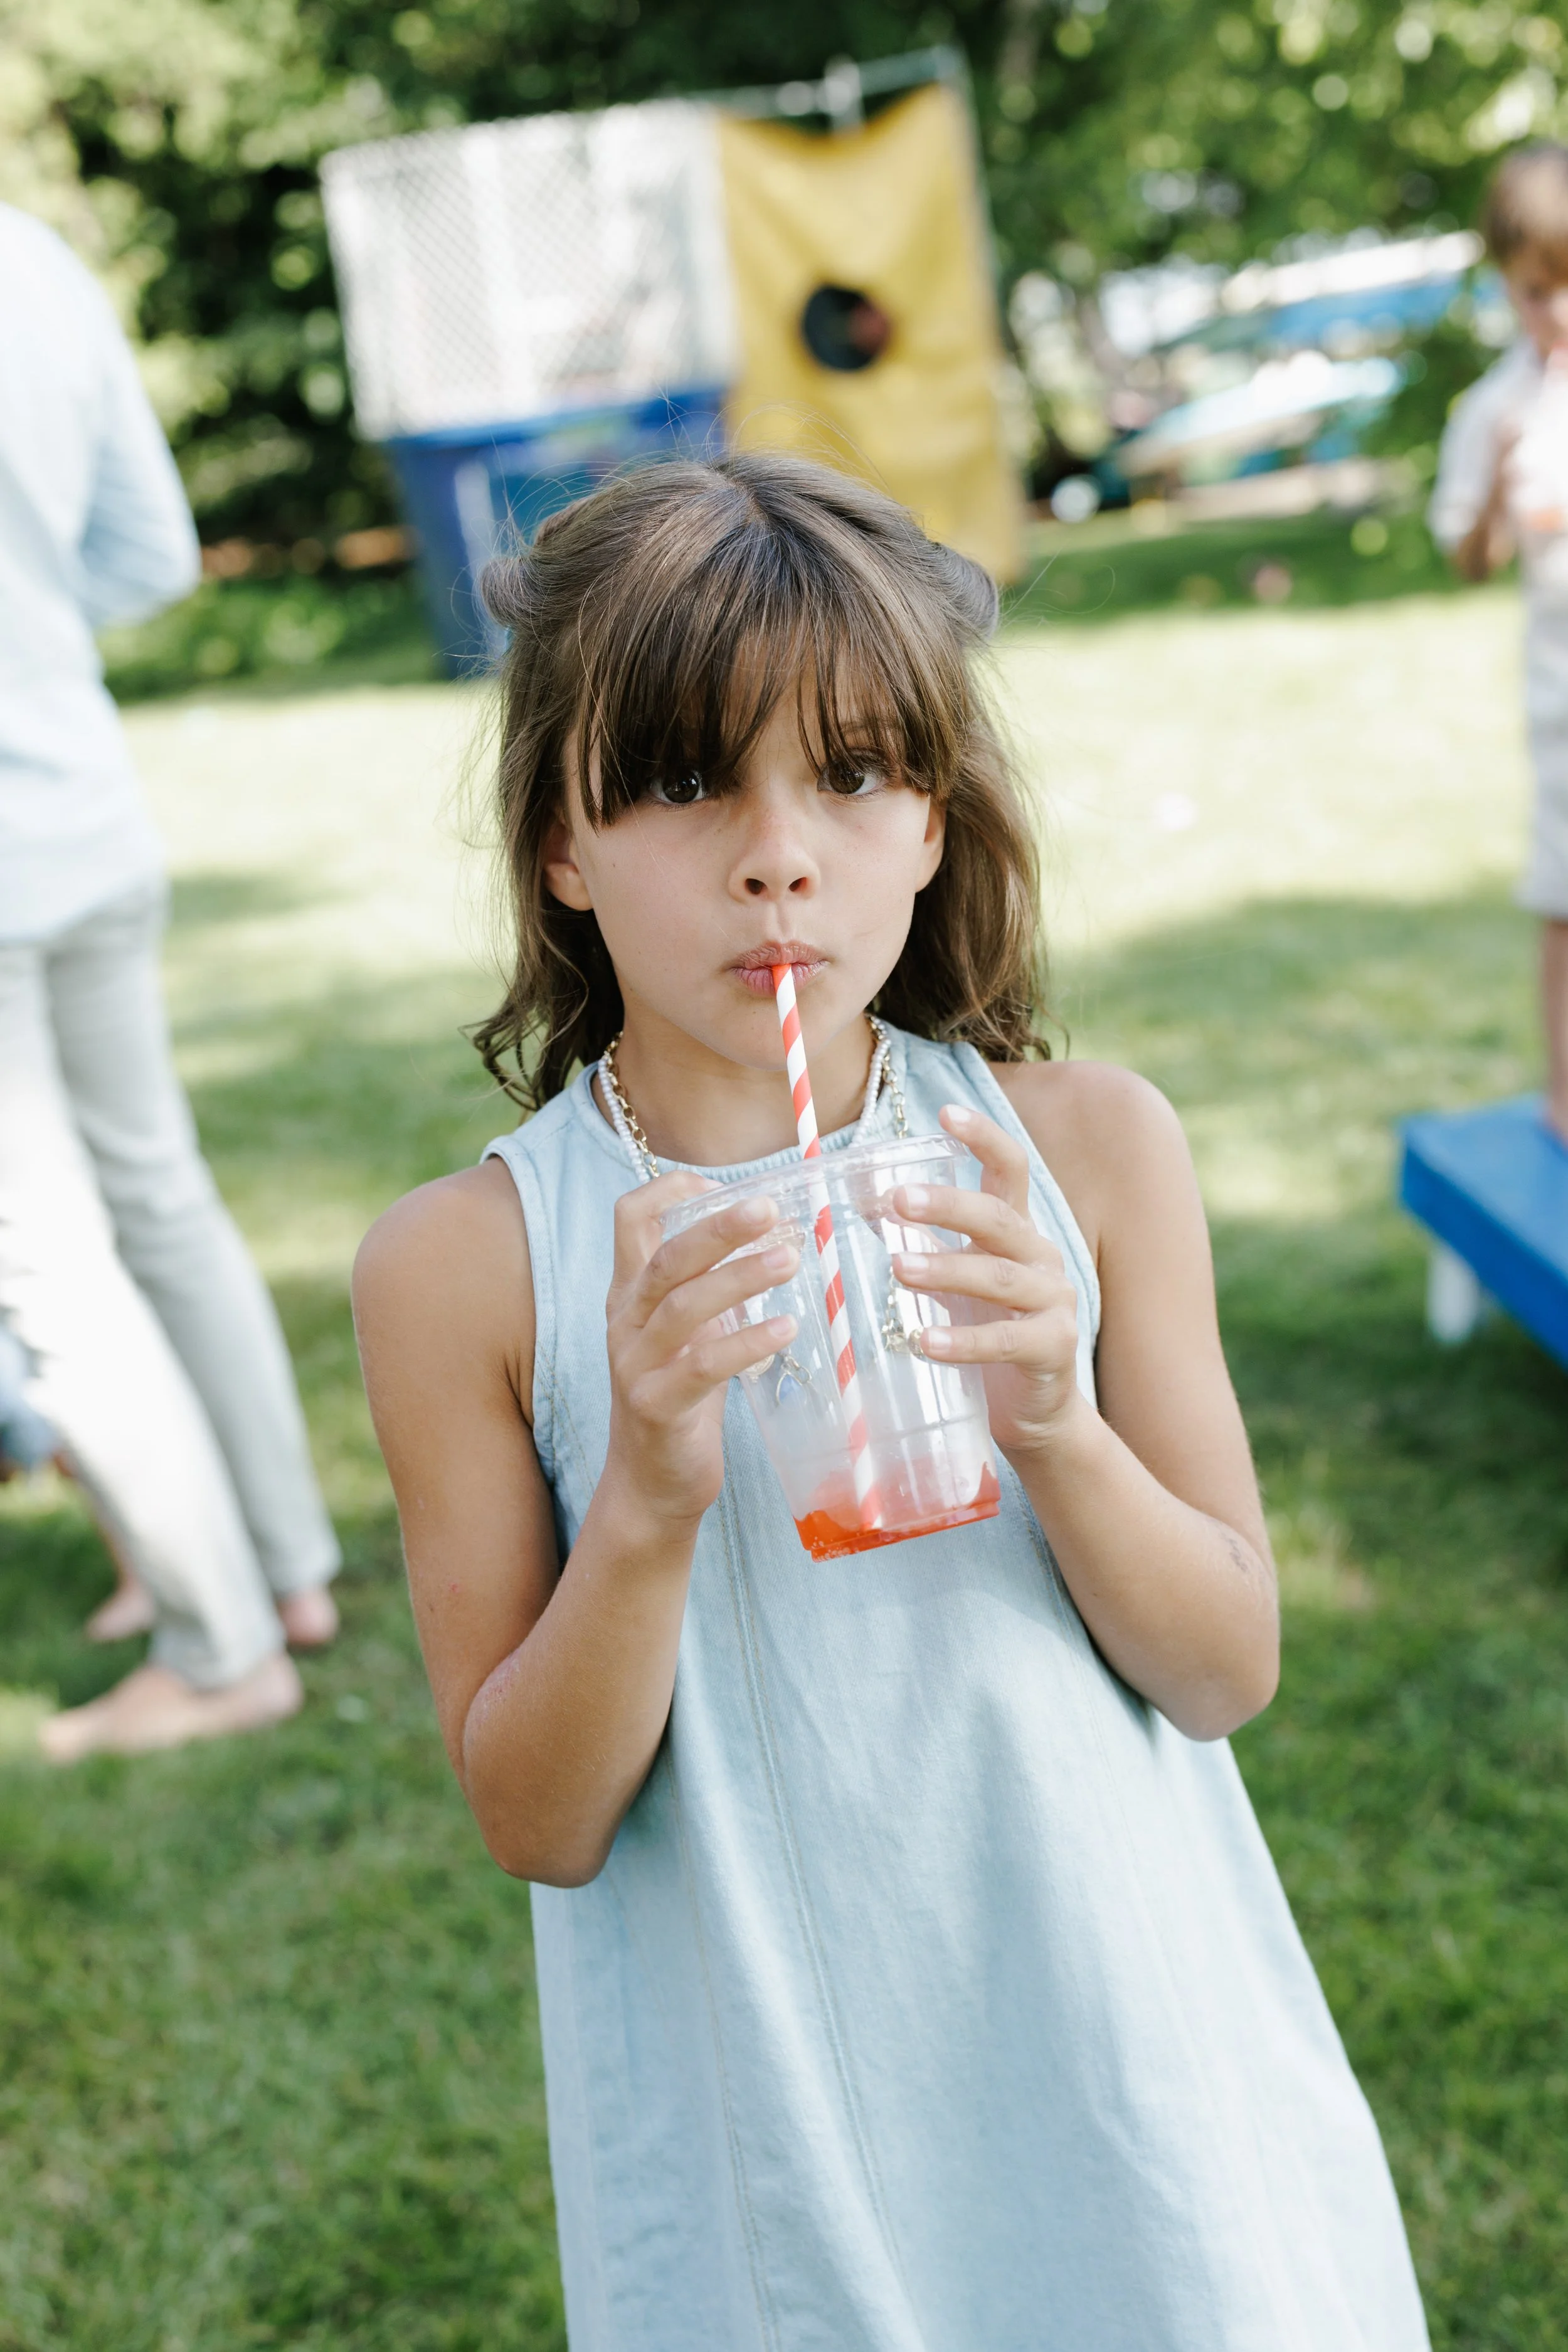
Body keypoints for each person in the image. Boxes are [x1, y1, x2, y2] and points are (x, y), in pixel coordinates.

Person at [353, 453, 1430, 2347]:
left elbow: (1221, 1664)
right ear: (558, 843)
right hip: (773, 2138)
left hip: (1128, 2073)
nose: (780, 851)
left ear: (931, 822)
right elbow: (536, 1815)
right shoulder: (467, 1267)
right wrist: (651, 1497)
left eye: (851, 772)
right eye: (688, 779)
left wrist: (1057, 1428)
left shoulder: (1079, 1156)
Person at [0, 202, 341, 1759]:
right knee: (158, 1198)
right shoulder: (37, 259)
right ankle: (284, 1573)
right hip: (81, 812)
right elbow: (148, 551)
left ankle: (218, 1652)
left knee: (51, 1271)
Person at [1431, 142, 1568, 1143]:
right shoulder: (1497, 407)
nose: (1556, 314)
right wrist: (1502, 505)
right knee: (1562, 895)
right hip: (1561, 691)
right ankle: (1565, 1098)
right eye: (1536, 292)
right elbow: (1467, 553)